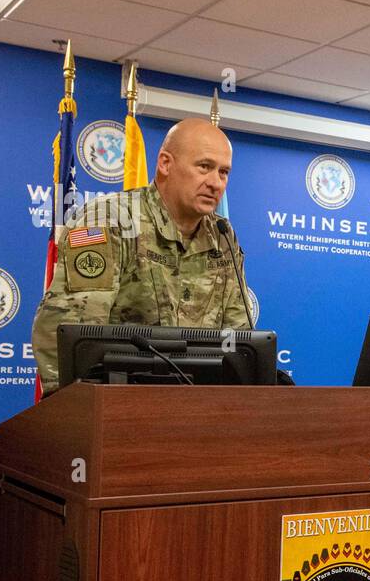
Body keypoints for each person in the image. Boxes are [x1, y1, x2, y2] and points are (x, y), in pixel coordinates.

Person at [31, 117, 252, 395]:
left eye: (224, 172)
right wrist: (75, 410)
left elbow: (242, 340)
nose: (215, 183)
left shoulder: (221, 235)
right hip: (117, 406)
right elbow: (70, 332)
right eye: (204, 167)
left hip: (198, 410)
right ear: (165, 163)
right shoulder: (111, 219)